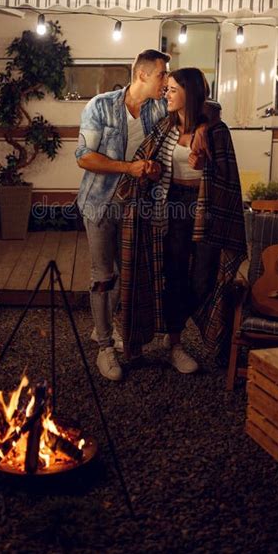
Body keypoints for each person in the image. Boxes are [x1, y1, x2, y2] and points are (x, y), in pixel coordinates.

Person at [117, 67, 247, 369]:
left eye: (173, 89)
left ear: (190, 93)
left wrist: (203, 162)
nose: (167, 93)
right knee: (173, 274)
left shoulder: (216, 130)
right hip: (172, 207)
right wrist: (151, 171)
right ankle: (175, 342)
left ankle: (183, 327)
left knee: (204, 278)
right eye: (167, 88)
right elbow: (146, 159)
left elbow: (225, 177)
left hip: (207, 210)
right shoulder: (166, 127)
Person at [75, 49, 171, 381]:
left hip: (136, 207)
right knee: (103, 274)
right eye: (162, 75)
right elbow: (84, 157)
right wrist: (128, 168)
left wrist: (152, 168)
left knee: (128, 273)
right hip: (100, 203)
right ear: (143, 74)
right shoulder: (99, 106)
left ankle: (112, 329)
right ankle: (104, 347)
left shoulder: (160, 109)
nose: (166, 81)